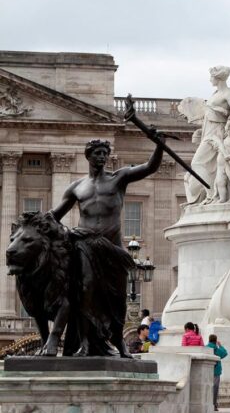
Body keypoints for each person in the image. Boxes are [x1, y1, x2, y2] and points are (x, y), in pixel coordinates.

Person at [49, 136, 163, 357]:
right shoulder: (77, 187)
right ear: (88, 156)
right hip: (85, 244)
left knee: (118, 296)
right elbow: (55, 215)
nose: (102, 157)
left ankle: (118, 341)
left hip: (112, 246)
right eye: (98, 153)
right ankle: (85, 342)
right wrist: (33, 223)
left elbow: (150, 167)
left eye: (105, 153)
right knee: (85, 290)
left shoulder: (119, 178)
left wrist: (159, 145)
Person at [208, 334, 228, 410]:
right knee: (215, 389)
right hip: (216, 371)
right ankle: (214, 405)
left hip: (207, 371)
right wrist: (220, 345)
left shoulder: (206, 348)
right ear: (215, 341)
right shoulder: (217, 349)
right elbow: (225, 353)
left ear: (209, 340)